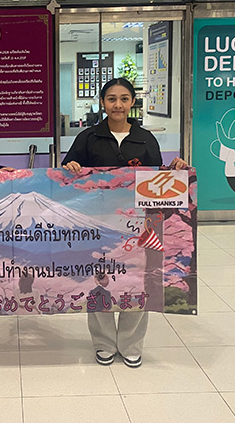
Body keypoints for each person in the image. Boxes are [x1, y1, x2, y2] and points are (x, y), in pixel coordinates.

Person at [62, 77, 187, 368]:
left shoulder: (145, 138)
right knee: (100, 281)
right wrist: (71, 167)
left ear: (132, 102)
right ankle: (104, 343)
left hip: (138, 225)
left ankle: (131, 344)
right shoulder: (88, 138)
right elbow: (68, 174)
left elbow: (158, 179)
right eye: (111, 99)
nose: (117, 105)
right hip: (98, 223)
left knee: (137, 280)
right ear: (102, 102)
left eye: (123, 99)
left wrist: (175, 170)